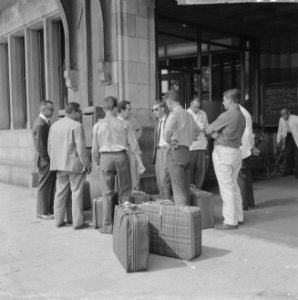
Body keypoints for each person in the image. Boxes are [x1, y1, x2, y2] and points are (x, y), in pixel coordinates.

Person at [92, 96, 146, 234]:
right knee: (125, 192)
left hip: (105, 157)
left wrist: (98, 162)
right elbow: (134, 146)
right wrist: (140, 164)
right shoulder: (124, 124)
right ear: (116, 108)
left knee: (106, 193)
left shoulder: (97, 125)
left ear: (104, 109)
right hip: (121, 156)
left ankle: (107, 225)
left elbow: (94, 149)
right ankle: (125, 223)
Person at [206, 88, 245, 230]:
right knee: (234, 186)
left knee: (226, 188)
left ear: (230, 100)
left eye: (224, 99)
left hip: (224, 153)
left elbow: (209, 130)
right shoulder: (242, 116)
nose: (223, 102)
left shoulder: (227, 115)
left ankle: (230, 221)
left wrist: (215, 133)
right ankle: (238, 217)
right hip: (236, 152)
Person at [48, 102, 91, 229]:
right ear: (73, 112)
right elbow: (81, 149)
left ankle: (58, 221)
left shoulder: (54, 126)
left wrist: (56, 160)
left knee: (60, 193)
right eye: (79, 112)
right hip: (74, 165)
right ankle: (77, 223)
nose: (80, 114)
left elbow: (50, 147)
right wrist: (87, 164)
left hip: (59, 165)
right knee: (76, 193)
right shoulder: (77, 126)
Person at [163, 90, 200, 206]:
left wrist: (169, 142)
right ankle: (188, 217)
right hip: (188, 152)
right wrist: (190, 138)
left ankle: (183, 220)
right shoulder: (188, 115)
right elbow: (198, 131)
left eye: (166, 103)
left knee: (178, 189)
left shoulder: (174, 114)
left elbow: (166, 133)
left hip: (176, 151)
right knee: (185, 188)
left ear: (169, 101)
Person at [32, 100, 56, 220]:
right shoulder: (41, 124)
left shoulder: (44, 122)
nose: (53, 111)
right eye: (50, 109)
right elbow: (40, 146)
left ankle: (48, 209)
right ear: (43, 109)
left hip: (46, 159)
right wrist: (48, 159)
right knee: (45, 185)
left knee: (49, 185)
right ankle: (42, 211)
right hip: (45, 160)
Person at [118, 100, 143, 190]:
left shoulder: (133, 121)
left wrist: (135, 138)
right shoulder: (116, 121)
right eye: (128, 109)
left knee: (135, 175)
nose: (130, 111)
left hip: (134, 151)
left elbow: (139, 129)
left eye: (130, 109)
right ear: (122, 110)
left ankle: (135, 190)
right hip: (122, 152)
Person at [238, 104, 259, 210]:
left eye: (225, 100)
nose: (223, 103)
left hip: (241, 149)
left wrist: (251, 146)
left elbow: (247, 133)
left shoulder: (239, 113)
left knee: (240, 176)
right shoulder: (245, 112)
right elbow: (249, 132)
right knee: (247, 175)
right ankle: (250, 202)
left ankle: (243, 204)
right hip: (246, 148)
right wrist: (252, 146)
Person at [187, 97, 209, 189]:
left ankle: (198, 189)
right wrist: (199, 129)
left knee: (200, 169)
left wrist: (204, 128)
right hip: (191, 146)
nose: (197, 109)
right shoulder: (186, 114)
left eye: (198, 107)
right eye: (195, 107)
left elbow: (207, 127)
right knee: (190, 169)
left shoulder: (203, 113)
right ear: (190, 105)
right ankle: (189, 189)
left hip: (201, 145)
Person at [152, 100, 171, 199]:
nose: (154, 112)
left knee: (164, 178)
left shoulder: (169, 119)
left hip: (166, 150)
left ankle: (167, 202)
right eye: (153, 110)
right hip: (158, 151)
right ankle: (163, 203)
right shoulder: (158, 122)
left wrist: (170, 144)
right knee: (159, 179)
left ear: (163, 109)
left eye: (156, 109)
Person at [277, 108, 298, 177]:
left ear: (288, 112)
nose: (283, 115)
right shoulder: (281, 120)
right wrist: (278, 140)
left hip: (296, 136)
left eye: (284, 113)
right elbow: (280, 130)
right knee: (287, 153)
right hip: (288, 137)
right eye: (282, 114)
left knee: (297, 155)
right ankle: (288, 170)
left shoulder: (295, 118)